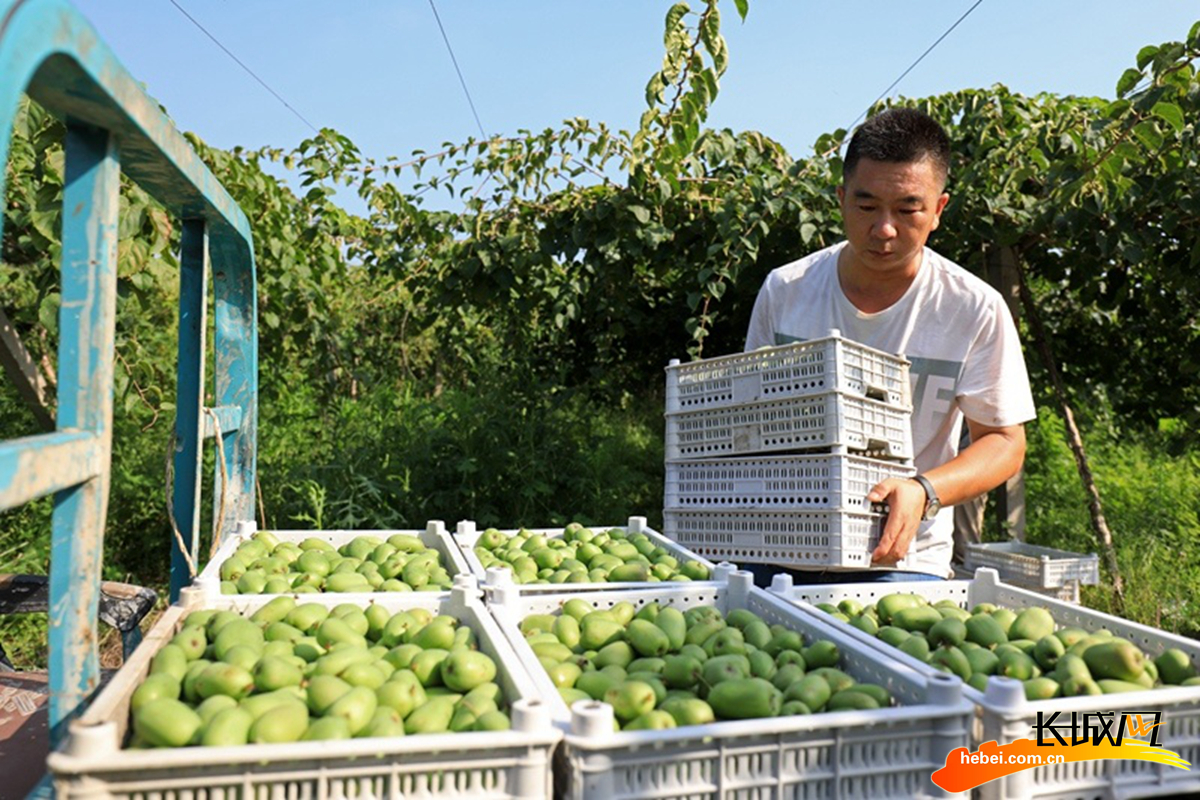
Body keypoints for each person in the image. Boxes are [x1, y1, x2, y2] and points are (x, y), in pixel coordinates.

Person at [743, 107, 1035, 585]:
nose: (884, 229)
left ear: (938, 210)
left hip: (902, 559)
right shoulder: (786, 291)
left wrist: (925, 489)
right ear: (840, 200)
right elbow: (752, 414)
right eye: (866, 206)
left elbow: (1003, 442)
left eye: (907, 209)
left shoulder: (973, 309)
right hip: (780, 545)